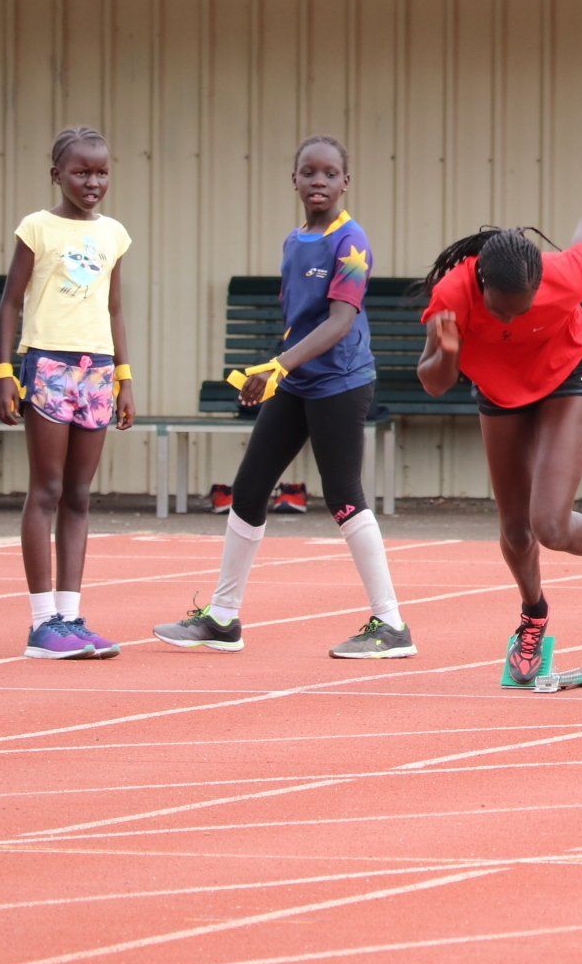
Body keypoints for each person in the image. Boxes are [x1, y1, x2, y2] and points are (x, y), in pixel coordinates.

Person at [153, 136, 413, 659]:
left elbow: (341, 321)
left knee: (343, 495)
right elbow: (298, 321)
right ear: (293, 180)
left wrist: (281, 363)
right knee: (249, 487)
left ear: (346, 182)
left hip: (341, 381)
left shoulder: (352, 241)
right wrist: (272, 372)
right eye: (309, 172)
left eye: (330, 173)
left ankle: (391, 625)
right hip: (295, 380)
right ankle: (223, 618)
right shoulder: (294, 241)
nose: (319, 181)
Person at [415, 214, 582, 686]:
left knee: (551, 525)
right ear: (482, 285)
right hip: (500, 392)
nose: (511, 320)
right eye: (501, 312)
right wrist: (451, 351)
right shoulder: (453, 296)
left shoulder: (565, 273)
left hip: (568, 372)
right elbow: (434, 383)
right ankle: (533, 615)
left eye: (523, 310)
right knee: (516, 531)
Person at [0, 126, 135, 660]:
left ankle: (72, 617)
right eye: (80, 172)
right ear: (57, 174)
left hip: (97, 370)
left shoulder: (114, 235)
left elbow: (115, 309)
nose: (92, 181)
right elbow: (11, 302)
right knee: (47, 489)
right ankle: (41, 623)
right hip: (48, 364)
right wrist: (6, 371)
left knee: (79, 495)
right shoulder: (38, 228)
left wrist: (124, 377)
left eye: (101, 172)